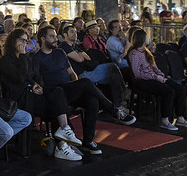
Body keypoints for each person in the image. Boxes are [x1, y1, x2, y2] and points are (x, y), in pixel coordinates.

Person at [33, 25, 135, 155]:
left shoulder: (60, 52)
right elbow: (37, 79)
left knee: (92, 100)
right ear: (43, 39)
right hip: (55, 92)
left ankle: (88, 141)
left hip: (69, 88)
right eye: (51, 36)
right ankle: (113, 110)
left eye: (55, 36)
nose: (55, 39)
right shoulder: (37, 57)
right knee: (86, 82)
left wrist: (75, 84)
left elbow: (71, 72)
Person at [0, 29, 82, 161]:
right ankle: (62, 144)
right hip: (18, 99)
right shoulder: (6, 60)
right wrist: (23, 56)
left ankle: (65, 131)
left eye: (26, 40)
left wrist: (36, 84)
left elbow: (32, 76)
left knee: (57, 93)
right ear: (13, 41)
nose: (24, 43)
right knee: (54, 105)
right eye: (21, 40)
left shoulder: (25, 58)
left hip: (30, 94)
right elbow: (19, 78)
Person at [127, 29, 187, 130]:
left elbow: (154, 67)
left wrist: (161, 75)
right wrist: (156, 77)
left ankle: (181, 117)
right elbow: (137, 73)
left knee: (181, 89)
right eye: (146, 37)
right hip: (143, 81)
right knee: (169, 91)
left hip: (155, 77)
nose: (148, 39)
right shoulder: (134, 53)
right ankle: (165, 120)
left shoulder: (146, 51)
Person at [58, 24, 130, 110]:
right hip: (81, 74)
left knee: (114, 73)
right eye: (72, 32)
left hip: (88, 70)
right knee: (113, 68)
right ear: (65, 35)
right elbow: (80, 59)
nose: (75, 34)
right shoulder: (63, 46)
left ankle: (119, 103)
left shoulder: (74, 46)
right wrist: (81, 55)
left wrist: (81, 55)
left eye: (75, 32)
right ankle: (120, 102)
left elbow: (87, 57)